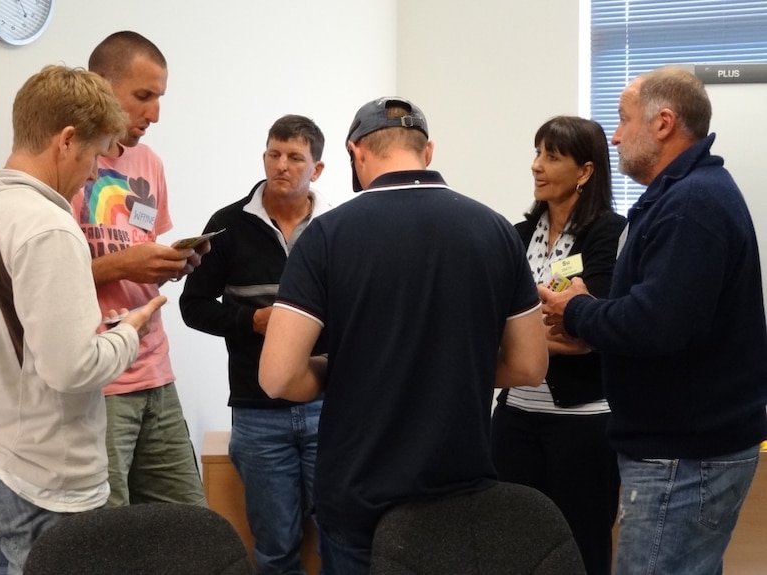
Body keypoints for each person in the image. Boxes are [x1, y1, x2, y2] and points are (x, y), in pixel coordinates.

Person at [258, 97, 549, 574]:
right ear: (428, 151)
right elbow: (530, 366)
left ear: (357, 153)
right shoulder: (495, 230)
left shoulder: (327, 237)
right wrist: (459, 366)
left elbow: (277, 376)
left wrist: (343, 369)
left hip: (358, 494)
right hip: (459, 489)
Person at [0, 64, 166, 574]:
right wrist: (128, 333)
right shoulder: (49, 225)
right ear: (66, 141)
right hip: (47, 483)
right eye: (93, 155)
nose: (94, 173)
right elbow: (72, 370)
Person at [539, 66, 767, 575]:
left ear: (663, 123)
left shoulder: (691, 203)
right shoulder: (683, 195)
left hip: (682, 454)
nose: (614, 136)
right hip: (684, 446)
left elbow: (655, 325)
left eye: (622, 121)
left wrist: (576, 308)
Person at [179, 114, 328, 574]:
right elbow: (193, 306)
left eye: (295, 157)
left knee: (341, 535)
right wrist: (252, 322)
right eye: (273, 154)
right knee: (275, 547)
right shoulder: (226, 226)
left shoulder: (335, 229)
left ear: (316, 170)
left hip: (331, 407)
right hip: (257, 412)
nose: (281, 165)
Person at [69, 31, 208, 507]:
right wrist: (122, 264)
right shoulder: (65, 162)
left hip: (155, 370)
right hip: (98, 382)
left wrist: (167, 263)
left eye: (159, 98)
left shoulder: (149, 161)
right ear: (101, 87)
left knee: (191, 528)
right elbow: (45, 281)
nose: (154, 114)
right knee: (107, 538)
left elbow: (140, 244)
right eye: (143, 96)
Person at [490, 116, 625, 575]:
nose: (536, 166)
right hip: (514, 418)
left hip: (582, 424)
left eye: (551, 156)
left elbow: (592, 329)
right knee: (511, 545)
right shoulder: (516, 234)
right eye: (537, 153)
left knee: (582, 548)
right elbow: (492, 321)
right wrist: (551, 328)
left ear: (585, 171)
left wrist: (523, 336)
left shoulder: (609, 233)